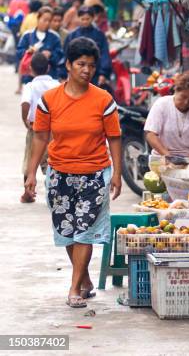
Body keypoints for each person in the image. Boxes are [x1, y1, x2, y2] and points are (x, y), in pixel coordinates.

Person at [24, 37, 122, 308]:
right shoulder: (50, 100)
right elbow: (40, 137)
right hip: (59, 174)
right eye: (80, 64)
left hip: (94, 174)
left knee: (85, 232)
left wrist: (117, 173)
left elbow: (114, 137)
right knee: (68, 231)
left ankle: (74, 287)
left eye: (91, 65)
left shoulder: (103, 99)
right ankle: (85, 278)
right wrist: (31, 174)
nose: (86, 70)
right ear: (67, 65)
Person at [20, 52, 60, 203]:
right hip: (54, 129)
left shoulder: (30, 86)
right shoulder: (57, 85)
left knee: (31, 159)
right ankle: (54, 192)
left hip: (36, 128)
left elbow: (25, 103)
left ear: (30, 69)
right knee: (52, 160)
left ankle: (28, 193)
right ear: (48, 68)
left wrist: (25, 119)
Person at [144, 71, 189, 158]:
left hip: (188, 158)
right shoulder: (161, 104)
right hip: (162, 157)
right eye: (183, 97)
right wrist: (168, 156)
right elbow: (150, 135)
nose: (186, 102)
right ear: (176, 90)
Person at [16, 6, 64, 90]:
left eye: (49, 20)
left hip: (50, 79)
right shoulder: (28, 35)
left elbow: (60, 56)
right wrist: (28, 52)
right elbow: (19, 52)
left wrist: (50, 55)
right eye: (44, 20)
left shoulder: (55, 37)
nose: (47, 23)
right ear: (38, 18)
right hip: (31, 79)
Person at [64, 6, 111, 87]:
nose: (85, 21)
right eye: (82, 19)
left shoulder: (99, 35)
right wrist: (65, 73)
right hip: (75, 74)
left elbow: (104, 54)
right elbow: (66, 55)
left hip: (94, 74)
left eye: (87, 19)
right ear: (78, 18)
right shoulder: (72, 35)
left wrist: (103, 73)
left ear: (93, 18)